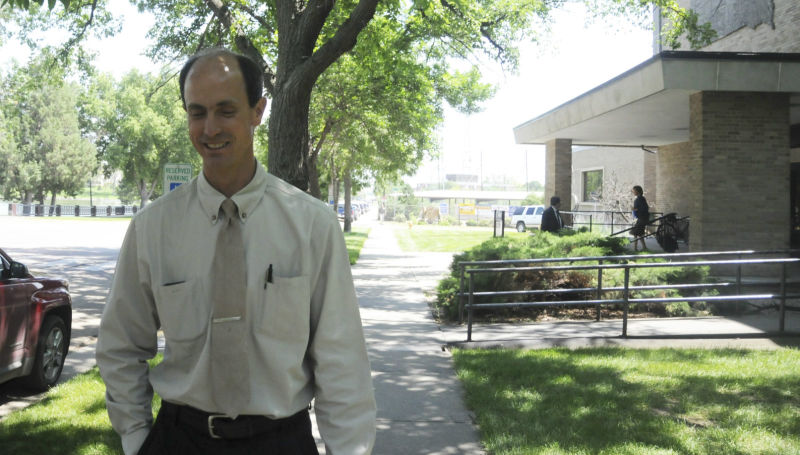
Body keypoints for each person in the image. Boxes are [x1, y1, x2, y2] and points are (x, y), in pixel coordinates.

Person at [96, 48, 376, 455]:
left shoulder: (312, 225)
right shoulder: (152, 228)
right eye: (197, 112)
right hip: (179, 439)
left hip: (281, 442)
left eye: (226, 110)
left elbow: (341, 360)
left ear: (257, 111)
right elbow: (120, 344)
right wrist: (137, 438)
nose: (210, 128)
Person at [631, 185, 650, 251]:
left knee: (636, 232)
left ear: (637, 191)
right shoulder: (641, 198)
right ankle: (643, 247)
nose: (633, 192)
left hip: (642, 218)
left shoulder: (639, 199)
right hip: (642, 218)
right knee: (639, 233)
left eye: (634, 191)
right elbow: (645, 208)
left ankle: (635, 248)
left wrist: (635, 209)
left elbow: (644, 208)